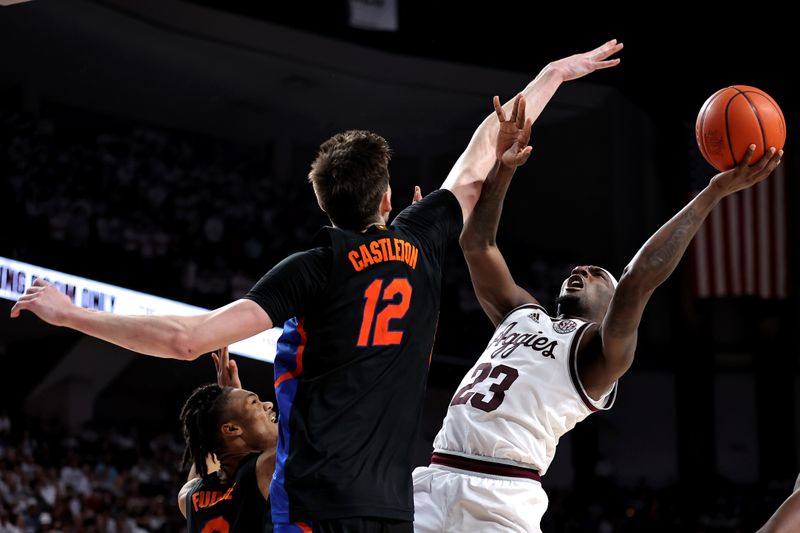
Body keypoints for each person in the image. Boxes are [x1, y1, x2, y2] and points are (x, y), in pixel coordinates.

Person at [10, 40, 622, 532]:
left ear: (323, 205)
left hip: (314, 502)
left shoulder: (312, 267)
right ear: (387, 198)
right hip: (394, 505)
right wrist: (551, 75)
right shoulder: (421, 237)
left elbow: (182, 337)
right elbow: (480, 157)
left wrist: (70, 315)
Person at [412, 131, 784, 531]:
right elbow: (477, 244)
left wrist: (712, 192)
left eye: (596, 275)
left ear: (613, 303)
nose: (581, 270)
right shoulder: (520, 313)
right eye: (579, 269)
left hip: (502, 494)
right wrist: (503, 169)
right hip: (436, 475)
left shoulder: (601, 355)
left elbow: (638, 277)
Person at [178, 347, 278, 532]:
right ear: (231, 429)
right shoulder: (266, 468)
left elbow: (211, 447)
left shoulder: (189, 496)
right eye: (254, 402)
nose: (268, 404)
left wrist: (228, 411)